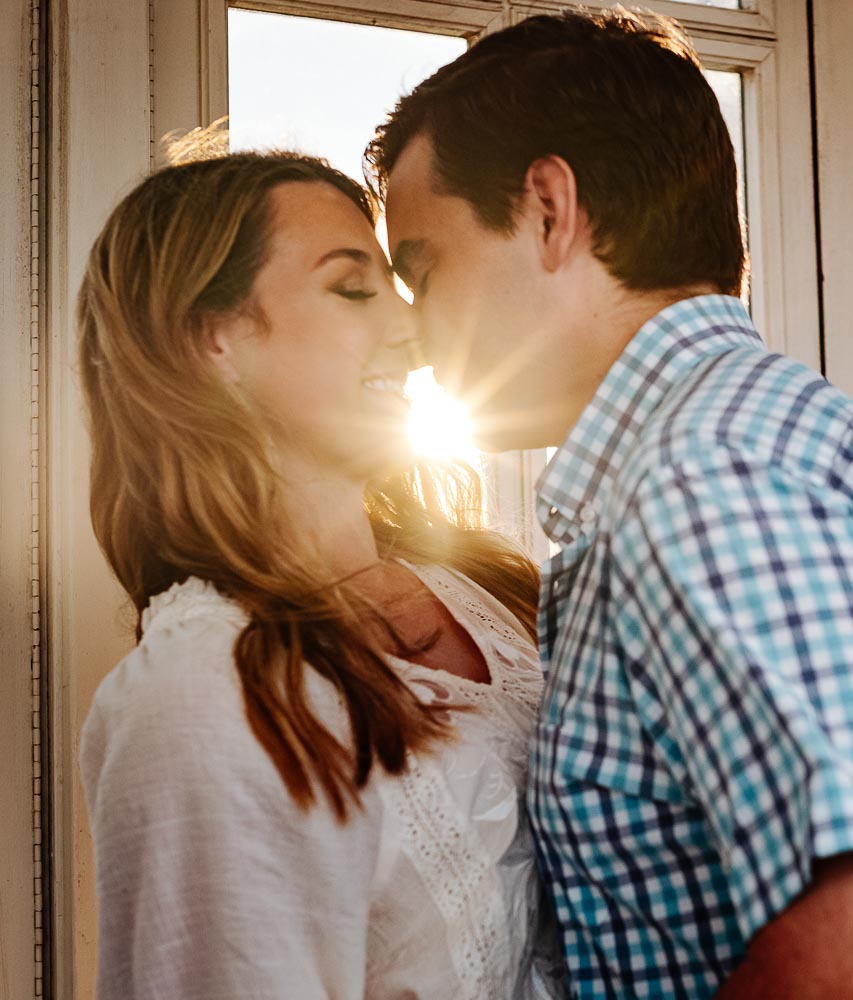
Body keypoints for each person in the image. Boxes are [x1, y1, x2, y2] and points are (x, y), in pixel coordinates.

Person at [368, 10, 853, 999]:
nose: (409, 333)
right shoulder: (739, 442)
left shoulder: (703, 483)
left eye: (422, 267)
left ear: (547, 208)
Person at [77, 151, 565, 999]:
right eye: (352, 288)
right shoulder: (200, 696)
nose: (414, 331)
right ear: (212, 339)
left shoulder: (493, 589)